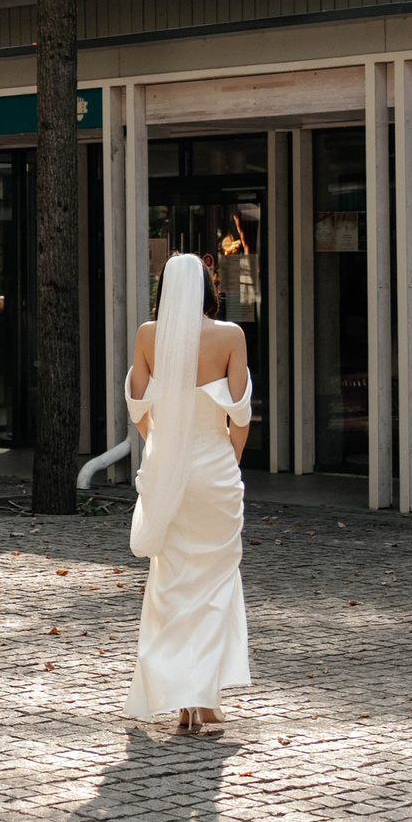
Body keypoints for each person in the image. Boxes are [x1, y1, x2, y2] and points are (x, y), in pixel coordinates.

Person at [122, 253, 252, 739]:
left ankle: (179, 703)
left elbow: (137, 406)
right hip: (213, 465)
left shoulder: (147, 335)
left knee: (171, 581)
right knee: (215, 582)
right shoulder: (230, 337)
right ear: (208, 287)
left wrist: (162, 443)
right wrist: (228, 460)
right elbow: (240, 414)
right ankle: (205, 701)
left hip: (167, 462)